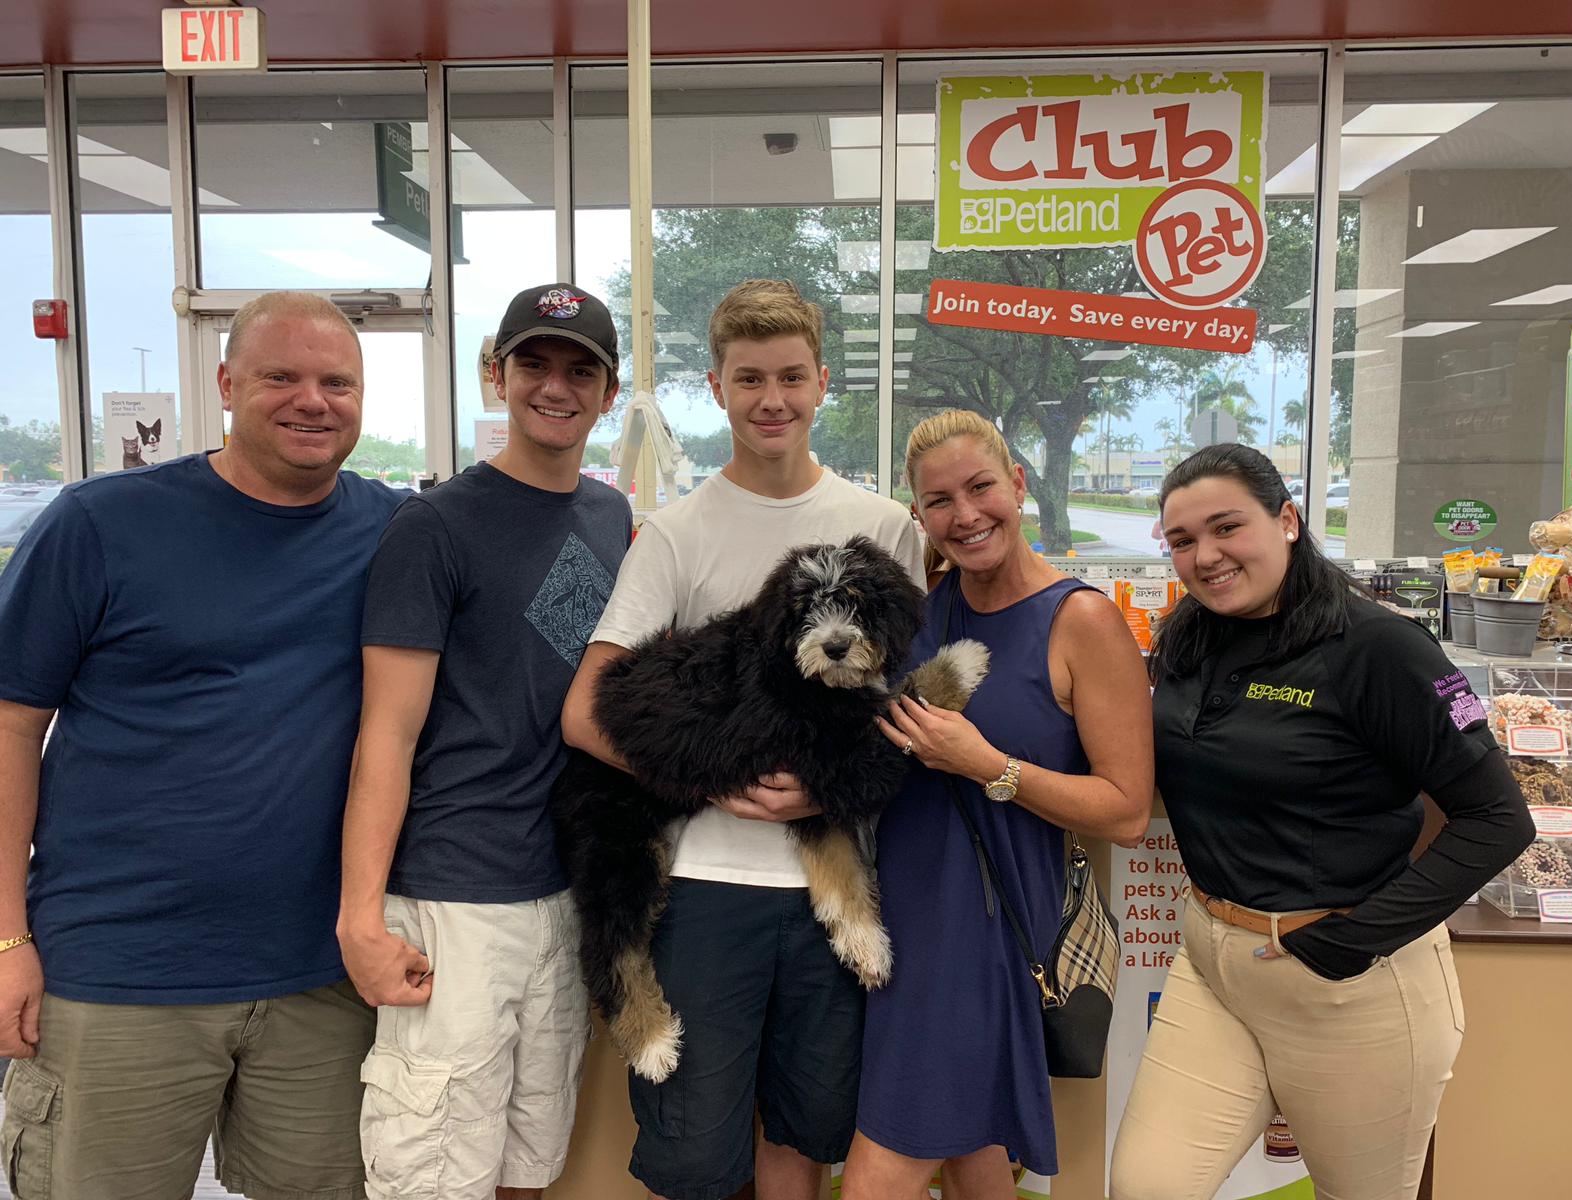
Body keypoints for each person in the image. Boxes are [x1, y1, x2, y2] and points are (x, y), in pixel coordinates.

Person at [0, 291, 402, 1200]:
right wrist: (3, 938)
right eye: (280, 377)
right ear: (226, 384)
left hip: (320, 978)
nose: (313, 400)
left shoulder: (391, 533)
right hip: (119, 971)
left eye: (338, 381)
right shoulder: (100, 525)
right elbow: (10, 726)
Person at [562, 279, 922, 1200]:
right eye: (750, 377)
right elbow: (586, 709)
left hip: (830, 890)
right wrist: (713, 777)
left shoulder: (883, 528)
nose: (773, 399)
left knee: (804, 1132)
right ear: (716, 387)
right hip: (704, 891)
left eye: (792, 377)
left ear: (822, 383)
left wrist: (833, 789)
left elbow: (908, 708)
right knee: (694, 1152)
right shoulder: (674, 535)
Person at [1108, 443, 1535, 1200]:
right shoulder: (1186, 638)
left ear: (1288, 520)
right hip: (1211, 964)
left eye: (1226, 527)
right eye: (1181, 540)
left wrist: (1349, 944)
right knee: (1147, 1186)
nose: (1205, 556)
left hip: (1351, 986)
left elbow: (1497, 819)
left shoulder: (1380, 647)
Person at [337, 283, 631, 1200]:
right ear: (494, 375)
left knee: (528, 1162)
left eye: (580, 369)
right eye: (534, 364)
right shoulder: (434, 527)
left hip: (562, 890)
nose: (556, 386)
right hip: (455, 898)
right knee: (433, 1171)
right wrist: (360, 914)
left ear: (608, 392)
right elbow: (385, 730)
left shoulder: (611, 520)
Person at [842, 408, 1154, 1200]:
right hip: (901, 915)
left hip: (984, 933)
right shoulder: (923, 609)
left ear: (1017, 485)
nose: (966, 514)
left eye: (981, 487)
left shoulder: (1080, 620)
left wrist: (992, 767)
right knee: (972, 1154)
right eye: (940, 501)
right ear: (919, 517)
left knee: (882, 1170)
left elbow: (1125, 809)